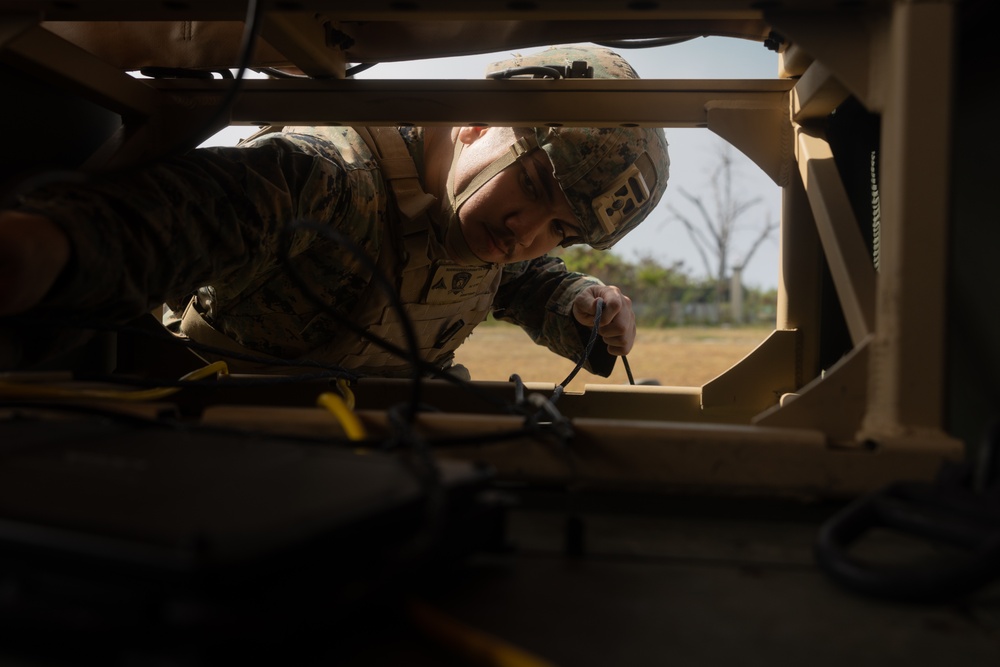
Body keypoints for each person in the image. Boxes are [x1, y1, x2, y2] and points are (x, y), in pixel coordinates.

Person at [0, 45, 669, 379]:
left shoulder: (480, 225)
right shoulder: (329, 175)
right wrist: (50, 248)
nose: (527, 232)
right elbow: (191, 214)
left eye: (562, 229)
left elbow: (519, 277)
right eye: (530, 183)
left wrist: (582, 303)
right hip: (222, 453)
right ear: (478, 119)